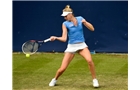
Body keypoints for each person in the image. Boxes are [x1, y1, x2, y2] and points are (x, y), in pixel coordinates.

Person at [49, 5, 99, 87]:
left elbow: (92, 29)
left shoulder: (80, 19)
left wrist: (85, 22)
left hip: (82, 45)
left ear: (70, 14)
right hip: (71, 46)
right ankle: (54, 79)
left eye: (65, 16)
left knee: (89, 61)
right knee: (62, 68)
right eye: (64, 16)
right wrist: (56, 37)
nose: (65, 18)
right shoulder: (65, 24)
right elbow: (64, 39)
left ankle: (95, 80)